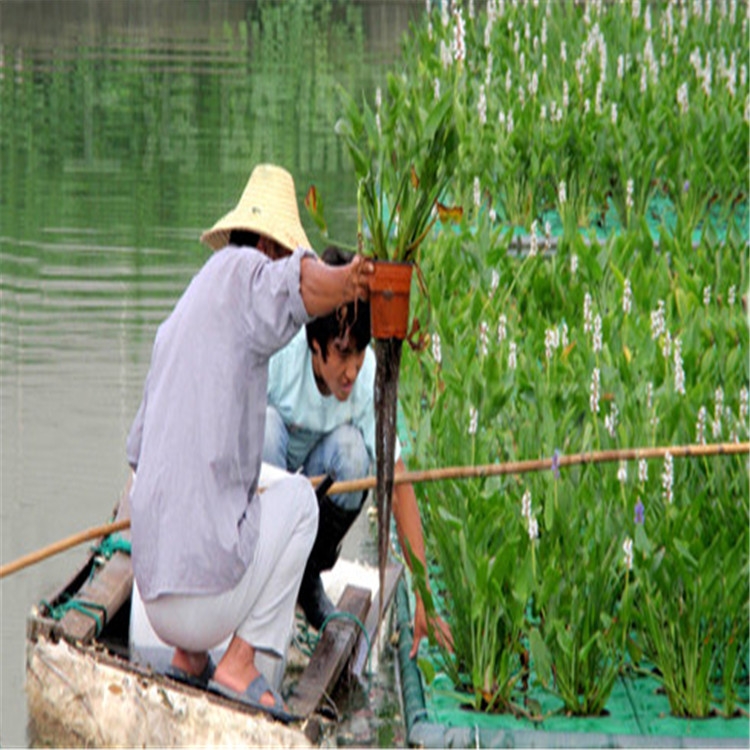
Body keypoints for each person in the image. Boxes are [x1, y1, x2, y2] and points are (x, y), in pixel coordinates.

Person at [125, 165, 372, 721]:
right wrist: (353, 280)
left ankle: (189, 659)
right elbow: (297, 286)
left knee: (249, 486)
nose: (285, 269)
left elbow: (138, 454)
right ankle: (237, 663)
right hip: (201, 603)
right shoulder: (244, 272)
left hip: (157, 602)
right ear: (266, 246)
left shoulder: (183, 313)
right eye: (285, 255)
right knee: (301, 504)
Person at [264, 245, 452, 658]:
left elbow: (397, 482)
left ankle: (307, 575)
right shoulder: (281, 354)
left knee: (354, 456)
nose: (352, 369)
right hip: (267, 485)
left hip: (316, 491)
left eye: (360, 352)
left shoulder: (364, 381)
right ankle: (262, 579)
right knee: (263, 427)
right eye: (342, 354)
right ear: (315, 345)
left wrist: (423, 597)